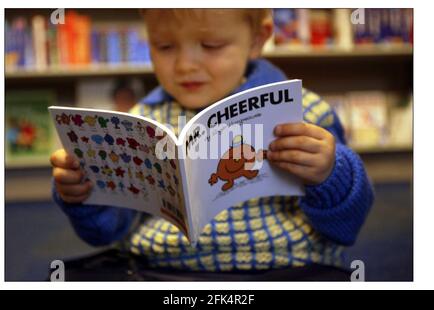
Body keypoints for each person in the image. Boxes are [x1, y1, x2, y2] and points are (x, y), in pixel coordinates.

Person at [49, 9, 374, 281]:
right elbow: (106, 232)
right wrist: (86, 194)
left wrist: (330, 174)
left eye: (211, 45)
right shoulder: (140, 121)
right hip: (160, 271)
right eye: (164, 47)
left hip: (287, 268)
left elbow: (346, 226)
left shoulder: (305, 113)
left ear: (258, 39)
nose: (185, 65)